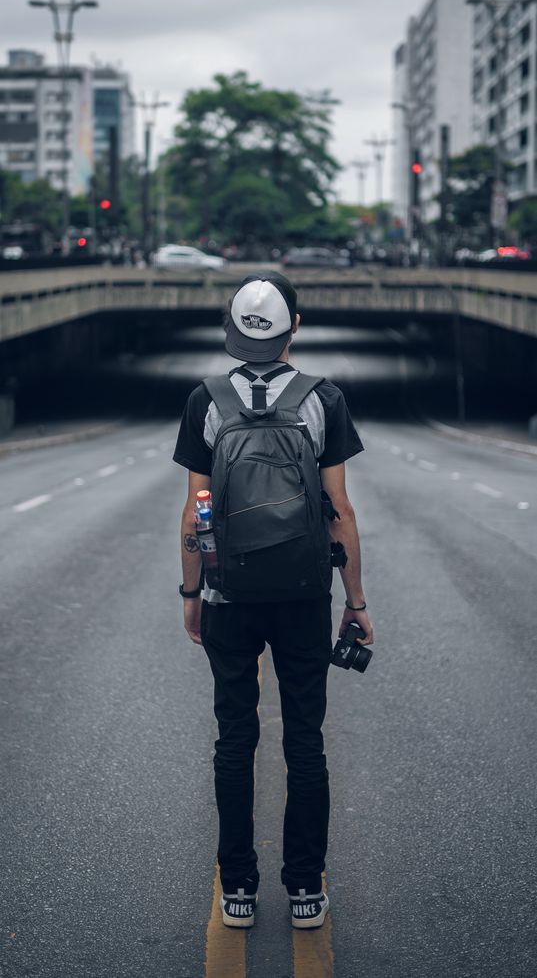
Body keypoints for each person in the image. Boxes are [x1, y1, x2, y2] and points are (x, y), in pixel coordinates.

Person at [173, 272, 373, 930]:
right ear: (295, 326)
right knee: (304, 739)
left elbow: (197, 511)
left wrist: (194, 588)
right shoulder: (323, 399)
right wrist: (356, 601)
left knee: (235, 735)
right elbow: (338, 510)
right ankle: (305, 890)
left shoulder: (205, 399)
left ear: (232, 330)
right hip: (303, 592)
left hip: (228, 590)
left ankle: (237, 889)